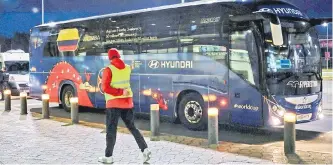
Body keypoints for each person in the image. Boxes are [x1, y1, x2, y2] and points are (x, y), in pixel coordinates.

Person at [98, 48, 151, 164]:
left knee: (111, 130)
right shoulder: (127, 68)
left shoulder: (108, 69)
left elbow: (105, 88)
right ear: (119, 56)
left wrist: (119, 92)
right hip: (127, 103)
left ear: (110, 58)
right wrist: (123, 92)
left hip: (113, 103)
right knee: (132, 127)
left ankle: (108, 157)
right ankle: (145, 149)